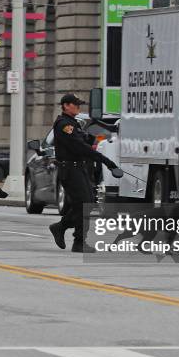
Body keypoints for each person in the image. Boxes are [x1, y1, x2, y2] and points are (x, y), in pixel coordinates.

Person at [49, 93, 119, 253]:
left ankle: (61, 227)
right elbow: (79, 147)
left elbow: (86, 138)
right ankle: (79, 241)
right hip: (70, 170)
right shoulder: (63, 125)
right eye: (75, 104)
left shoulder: (73, 124)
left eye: (79, 104)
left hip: (78, 169)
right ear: (66, 106)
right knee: (84, 205)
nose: (78, 107)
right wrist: (107, 161)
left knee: (87, 204)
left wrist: (105, 138)